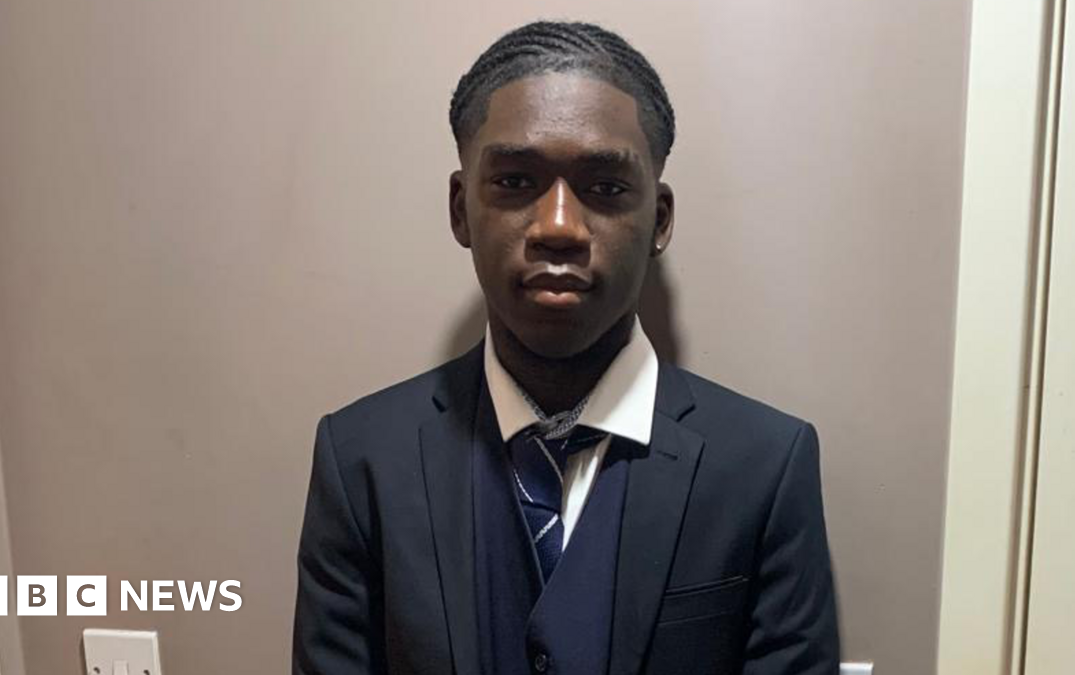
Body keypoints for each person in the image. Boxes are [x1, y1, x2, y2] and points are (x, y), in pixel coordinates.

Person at [292, 20, 839, 675]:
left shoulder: (765, 467)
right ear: (461, 209)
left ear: (660, 219)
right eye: (516, 182)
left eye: (605, 188)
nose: (558, 227)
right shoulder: (362, 460)